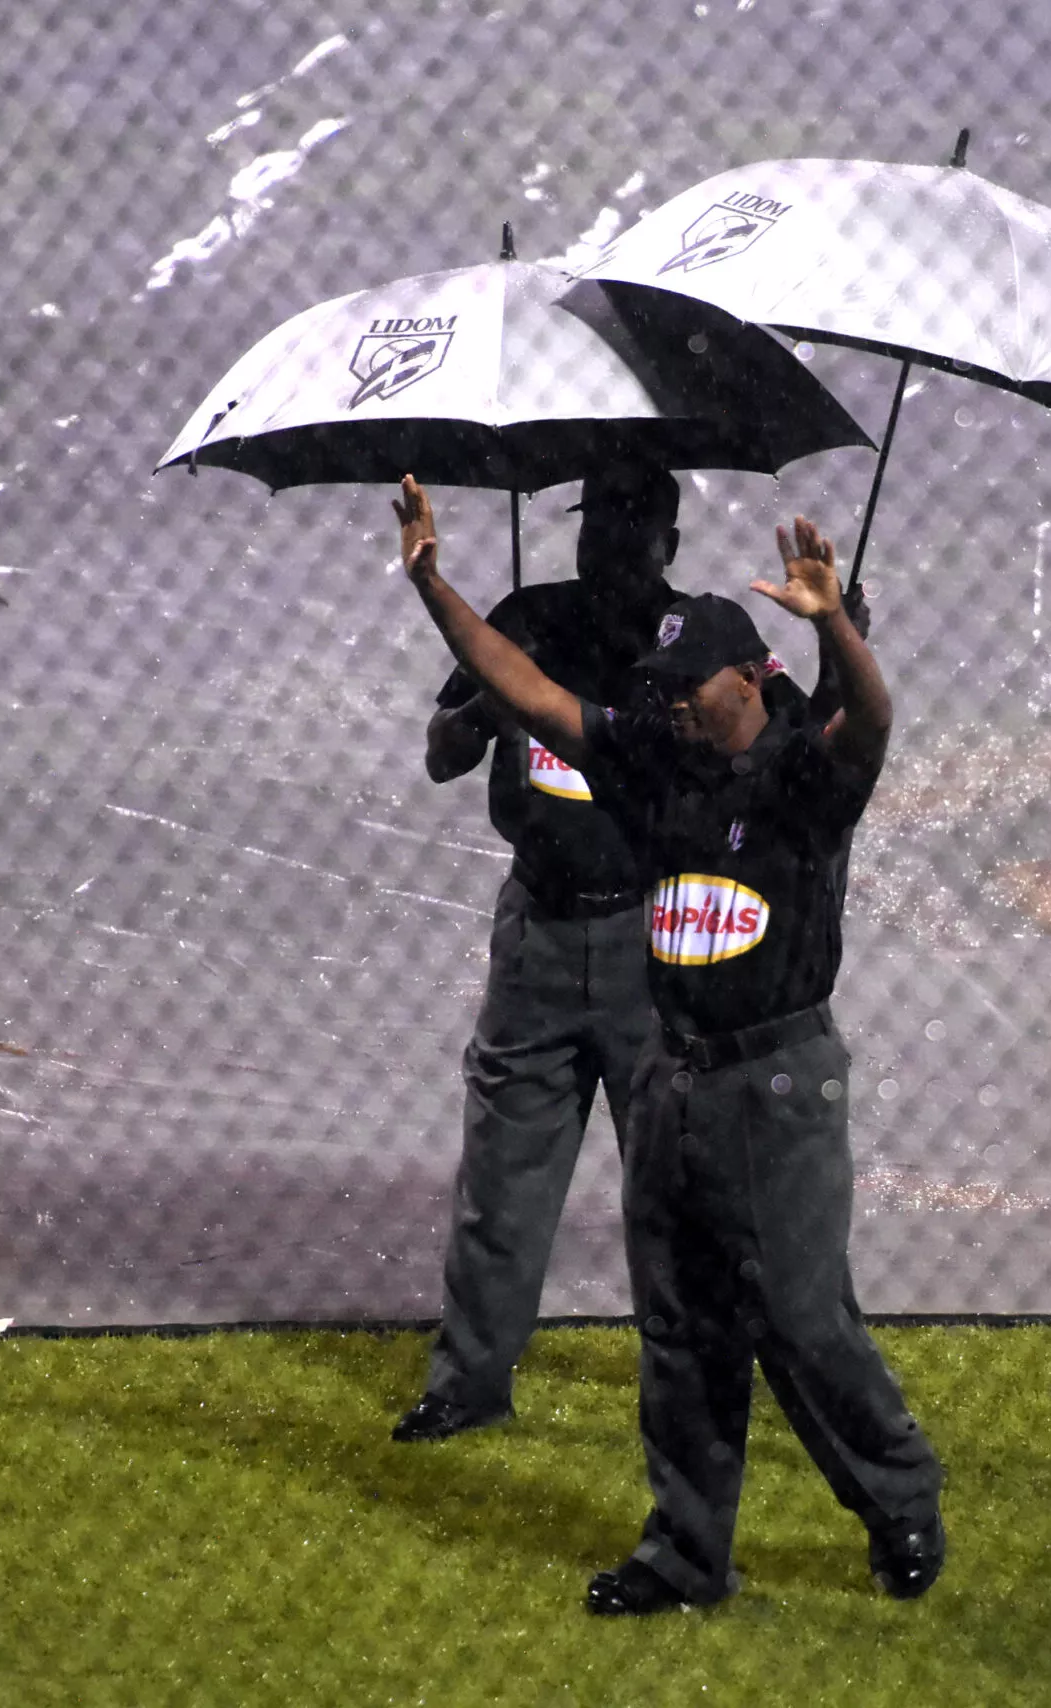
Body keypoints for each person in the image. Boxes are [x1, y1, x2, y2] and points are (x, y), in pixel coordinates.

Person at [392, 473, 947, 1613]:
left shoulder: (802, 777)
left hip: (778, 1083)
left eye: (687, 686)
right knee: (681, 1332)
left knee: (799, 1317)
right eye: (662, 691)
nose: (671, 706)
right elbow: (536, 698)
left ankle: (899, 1496)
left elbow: (871, 721)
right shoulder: (654, 771)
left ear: (748, 675)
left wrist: (836, 622)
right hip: (674, 1081)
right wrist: (434, 586)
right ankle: (687, 1552)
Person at [392, 460, 687, 1444]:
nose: (608, 540)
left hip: (655, 943)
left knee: (675, 1190)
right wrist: (491, 700)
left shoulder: (699, 638)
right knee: (502, 1182)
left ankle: (688, 1392)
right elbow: (440, 755)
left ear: (668, 546)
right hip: (538, 935)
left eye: (631, 523)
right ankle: (469, 1381)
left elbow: (768, 758)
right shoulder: (525, 616)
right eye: (597, 520)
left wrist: (833, 646)